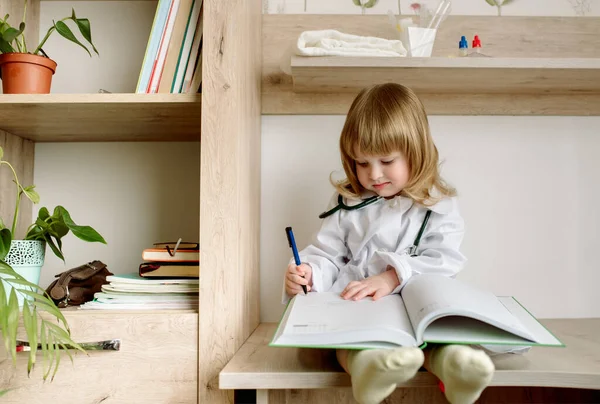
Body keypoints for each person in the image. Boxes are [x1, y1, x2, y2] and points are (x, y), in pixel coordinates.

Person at [283, 83, 494, 404]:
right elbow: (328, 253)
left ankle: (458, 368)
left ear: (416, 151)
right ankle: (369, 368)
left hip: (417, 306)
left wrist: (393, 276)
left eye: (386, 160)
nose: (374, 174)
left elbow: (445, 259)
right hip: (358, 306)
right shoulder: (348, 201)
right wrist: (309, 273)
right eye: (362, 163)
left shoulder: (438, 203)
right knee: (349, 342)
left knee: (438, 338)